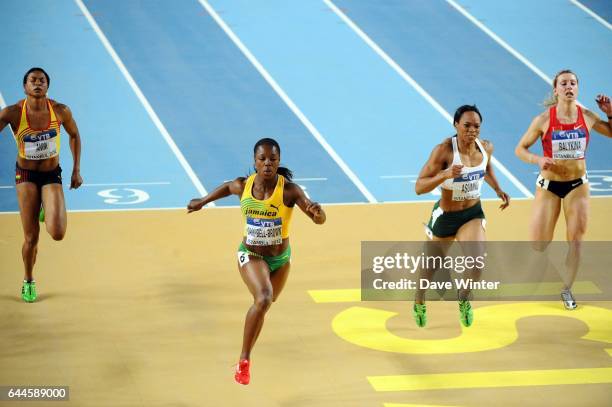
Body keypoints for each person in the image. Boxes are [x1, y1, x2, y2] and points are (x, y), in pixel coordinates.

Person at [187, 138, 326, 385]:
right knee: (263, 297)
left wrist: (318, 214)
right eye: (262, 159)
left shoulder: (290, 191)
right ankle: (244, 361)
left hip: (281, 259)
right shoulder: (244, 186)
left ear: (278, 161)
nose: (267, 164)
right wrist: (202, 202)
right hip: (252, 255)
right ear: (255, 161)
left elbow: (317, 218)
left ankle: (249, 344)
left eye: (273, 159)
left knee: (268, 301)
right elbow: (227, 187)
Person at [515, 69, 612, 310]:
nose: (569, 87)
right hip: (549, 186)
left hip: (577, 186)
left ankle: (566, 288)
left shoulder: (587, 116)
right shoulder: (543, 120)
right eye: (564, 83)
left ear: (577, 89)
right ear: (556, 90)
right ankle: (542, 272)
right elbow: (520, 149)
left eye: (573, 83)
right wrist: (537, 160)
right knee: (539, 243)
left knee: (576, 240)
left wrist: (610, 114)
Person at [414, 105, 510, 327]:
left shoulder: (486, 148)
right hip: (446, 217)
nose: (472, 130)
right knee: (431, 268)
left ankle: (464, 297)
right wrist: (445, 174)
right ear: (455, 125)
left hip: (472, 214)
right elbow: (419, 187)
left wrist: (498, 189)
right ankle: (419, 300)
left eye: (476, 126)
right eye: (467, 125)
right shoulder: (444, 150)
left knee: (476, 263)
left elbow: (487, 169)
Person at [0, 67, 83, 303]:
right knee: (31, 238)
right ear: (25, 86)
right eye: (33, 80)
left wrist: (76, 170)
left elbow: (75, 135)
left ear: (48, 86)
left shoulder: (60, 111)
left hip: (50, 174)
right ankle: (28, 280)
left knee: (57, 233)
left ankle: (47, 204)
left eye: (42, 81)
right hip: (25, 176)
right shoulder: (13, 113)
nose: (37, 83)